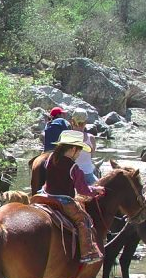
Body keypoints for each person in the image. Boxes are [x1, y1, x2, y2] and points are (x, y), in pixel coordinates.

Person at [32, 130, 105, 264]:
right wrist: (96, 190)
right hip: (63, 200)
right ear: (72, 149)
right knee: (84, 220)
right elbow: (83, 190)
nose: (78, 154)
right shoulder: (73, 167)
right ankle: (87, 253)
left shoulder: (49, 159)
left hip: (44, 195)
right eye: (79, 151)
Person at [70, 109, 98, 185]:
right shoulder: (91, 138)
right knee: (101, 191)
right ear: (85, 122)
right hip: (87, 174)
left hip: (69, 173)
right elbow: (91, 156)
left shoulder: (66, 136)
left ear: (72, 121)